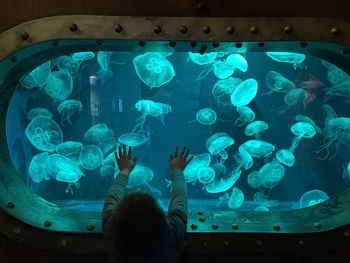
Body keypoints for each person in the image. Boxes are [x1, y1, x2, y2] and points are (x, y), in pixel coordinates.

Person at [102, 145, 194, 263]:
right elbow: (179, 201)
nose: (140, 189)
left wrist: (124, 171)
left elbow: (111, 199)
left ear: (116, 217)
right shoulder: (173, 234)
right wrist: (178, 171)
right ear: (161, 217)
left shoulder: (111, 232)